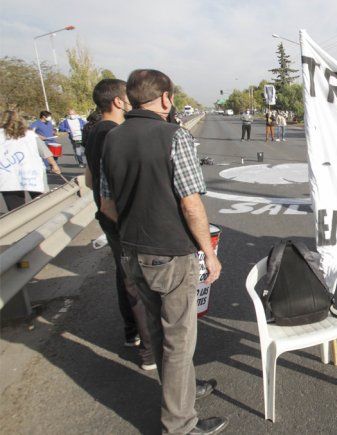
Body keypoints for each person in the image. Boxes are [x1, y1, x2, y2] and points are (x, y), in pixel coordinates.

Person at [100, 69, 227, 435]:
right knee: (179, 341)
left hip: (131, 252)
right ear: (166, 98)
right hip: (171, 255)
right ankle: (180, 424)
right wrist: (209, 252)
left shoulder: (113, 138)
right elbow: (191, 204)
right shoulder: (175, 136)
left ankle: (181, 395)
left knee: (156, 333)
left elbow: (107, 204)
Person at [84, 79, 155, 371]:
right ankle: (151, 352)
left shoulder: (92, 131)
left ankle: (132, 332)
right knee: (137, 282)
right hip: (120, 219)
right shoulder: (113, 134)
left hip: (109, 217)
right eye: (128, 97)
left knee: (124, 274)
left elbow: (89, 179)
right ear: (117, 101)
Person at [1, 110, 53, 211]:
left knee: (16, 209)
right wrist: (54, 165)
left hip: (7, 175)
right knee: (41, 202)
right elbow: (44, 151)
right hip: (31, 173)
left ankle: (21, 222)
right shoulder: (30, 134)